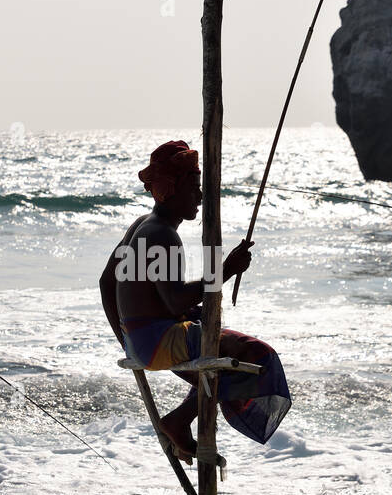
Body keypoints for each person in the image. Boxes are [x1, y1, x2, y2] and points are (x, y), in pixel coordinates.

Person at [99, 140, 291, 459]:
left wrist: (127, 339)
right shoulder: (163, 235)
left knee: (212, 337)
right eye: (193, 187)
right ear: (171, 189)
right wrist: (225, 270)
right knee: (258, 356)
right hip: (158, 341)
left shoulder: (141, 226)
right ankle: (179, 419)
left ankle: (183, 418)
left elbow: (107, 283)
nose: (200, 197)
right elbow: (174, 302)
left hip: (141, 340)